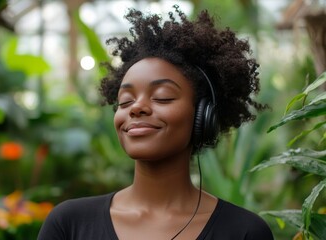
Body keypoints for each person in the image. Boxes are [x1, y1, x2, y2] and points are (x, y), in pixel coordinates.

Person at [38, 5, 273, 240]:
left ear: (203, 115)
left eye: (163, 97)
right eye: (125, 101)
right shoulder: (68, 224)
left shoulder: (245, 232)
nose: (137, 107)